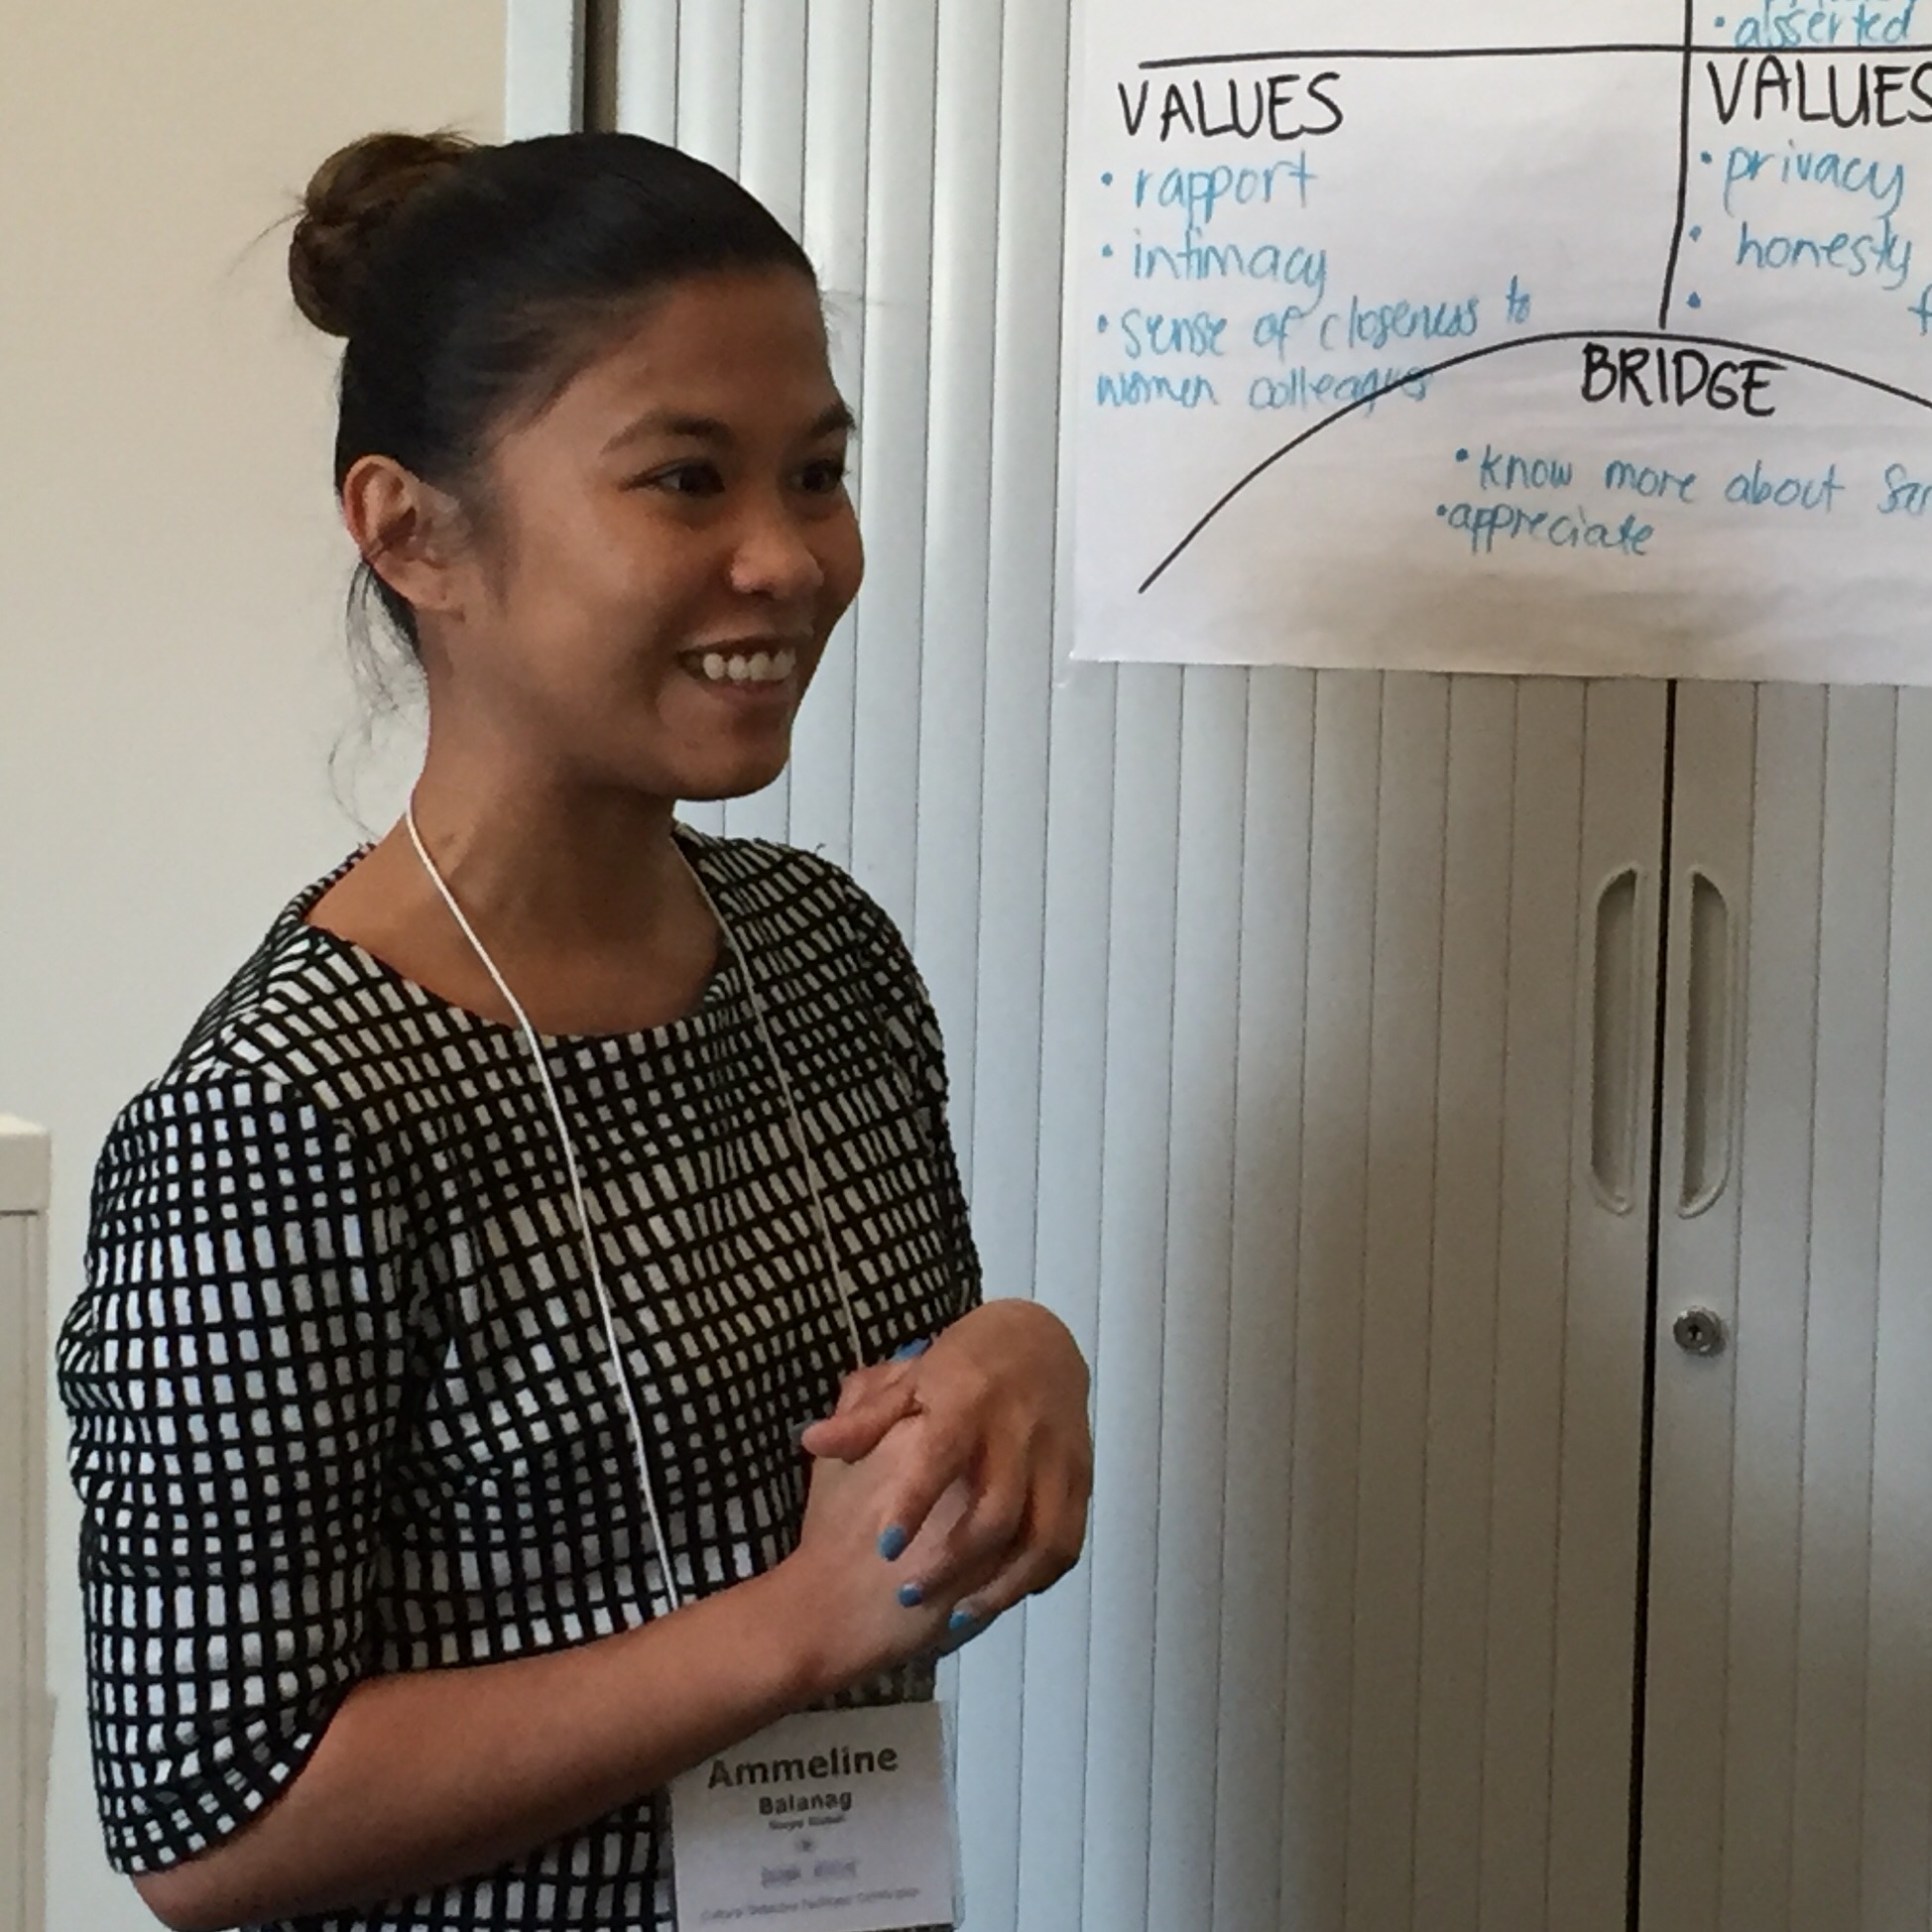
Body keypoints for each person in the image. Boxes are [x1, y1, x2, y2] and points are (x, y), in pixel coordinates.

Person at [58, 129, 1092, 1932]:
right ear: (412, 532)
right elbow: (210, 1824)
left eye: (818, 473)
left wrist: (1017, 1358)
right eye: (686, 480)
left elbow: (887, 1460)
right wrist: (795, 1628)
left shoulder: (821, 956)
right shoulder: (285, 1112)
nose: (790, 559)